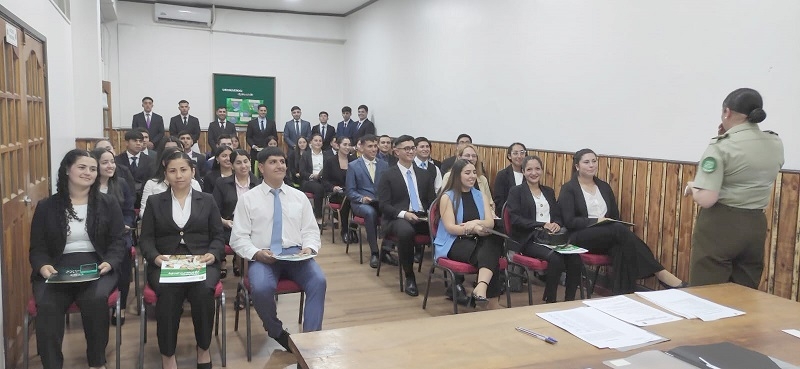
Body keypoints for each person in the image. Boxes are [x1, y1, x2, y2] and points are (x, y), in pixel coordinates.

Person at [29, 149, 126, 369]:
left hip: (96, 264)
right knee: (47, 305)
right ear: (66, 169)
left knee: (94, 300)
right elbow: (37, 248)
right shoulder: (47, 206)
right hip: (57, 266)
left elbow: (118, 242)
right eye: (82, 167)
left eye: (93, 168)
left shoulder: (108, 203)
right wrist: (43, 266)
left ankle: (96, 362)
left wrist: (110, 262)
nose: (88, 173)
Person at [229, 147, 327, 353]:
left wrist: (309, 247)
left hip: (295, 255)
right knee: (262, 288)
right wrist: (256, 254)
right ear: (261, 168)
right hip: (263, 255)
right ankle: (276, 331)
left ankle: (309, 342)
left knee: (318, 280)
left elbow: (310, 230)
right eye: (273, 162)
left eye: (282, 161)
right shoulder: (248, 199)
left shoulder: (298, 197)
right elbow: (238, 238)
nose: (279, 165)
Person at [686, 88, 784, 289]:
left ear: (727, 112)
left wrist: (694, 187)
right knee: (744, 293)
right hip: (755, 223)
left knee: (708, 294)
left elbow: (707, 199)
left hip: (721, 225)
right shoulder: (775, 142)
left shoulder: (720, 146)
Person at [139, 150, 224, 369]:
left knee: (203, 291)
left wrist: (213, 254)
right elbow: (146, 239)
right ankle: (168, 355)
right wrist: (156, 257)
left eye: (183, 170)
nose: (178, 175)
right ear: (165, 174)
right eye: (172, 171)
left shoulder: (207, 200)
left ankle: (203, 349)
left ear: (193, 172)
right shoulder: (155, 201)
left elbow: (217, 236)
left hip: (201, 260)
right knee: (168, 292)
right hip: (165, 262)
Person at [559, 149, 686, 294]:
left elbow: (615, 216)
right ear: (577, 166)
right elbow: (569, 222)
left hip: (607, 235)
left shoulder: (604, 187)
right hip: (580, 236)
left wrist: (606, 222)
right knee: (618, 230)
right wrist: (596, 221)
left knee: (621, 248)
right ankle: (661, 273)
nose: (591, 165)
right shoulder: (569, 189)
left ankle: (622, 295)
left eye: (594, 161)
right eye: (586, 162)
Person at [507, 155, 582, 303]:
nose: (533, 173)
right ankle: (550, 300)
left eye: (537, 169)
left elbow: (558, 215)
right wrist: (540, 225)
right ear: (523, 171)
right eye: (529, 169)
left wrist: (556, 223)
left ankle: (570, 299)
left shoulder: (548, 191)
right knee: (556, 258)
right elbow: (515, 219)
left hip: (552, 237)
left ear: (541, 170)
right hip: (528, 238)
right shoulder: (516, 191)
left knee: (575, 258)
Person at [433, 159, 504, 309]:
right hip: (453, 242)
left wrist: (475, 223)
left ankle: (481, 289)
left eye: (474, 172)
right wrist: (473, 228)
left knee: (494, 239)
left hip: (476, 239)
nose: (472, 176)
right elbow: (451, 228)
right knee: (492, 254)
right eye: (467, 173)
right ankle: (491, 301)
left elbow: (490, 223)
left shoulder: (480, 195)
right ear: (457, 176)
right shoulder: (447, 197)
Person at [378, 135, 436, 296]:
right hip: (397, 217)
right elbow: (383, 205)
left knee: (445, 226)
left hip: (421, 216)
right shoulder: (388, 175)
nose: (411, 151)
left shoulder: (424, 175)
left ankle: (454, 278)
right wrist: (404, 214)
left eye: (413, 148)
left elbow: (432, 202)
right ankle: (409, 275)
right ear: (396, 152)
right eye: (407, 148)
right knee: (406, 231)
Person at [91, 148, 136, 324]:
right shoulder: (89, 186)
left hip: (119, 235)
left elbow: (129, 211)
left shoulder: (121, 183)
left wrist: (125, 223)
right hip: (96, 237)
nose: (110, 166)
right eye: (105, 162)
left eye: (112, 162)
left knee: (123, 252)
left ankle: (121, 307)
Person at [346, 134, 396, 268]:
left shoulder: (384, 165)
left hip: (379, 201)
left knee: (392, 212)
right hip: (360, 203)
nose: (374, 149)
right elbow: (350, 191)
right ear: (361, 147)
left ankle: (386, 250)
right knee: (370, 213)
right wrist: (362, 198)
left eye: (375, 146)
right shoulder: (353, 166)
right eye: (370, 146)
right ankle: (374, 251)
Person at [212, 149, 258, 279]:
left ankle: (250, 278)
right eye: (238, 163)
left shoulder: (259, 183)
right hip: (228, 225)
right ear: (232, 165)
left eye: (245, 162)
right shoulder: (222, 183)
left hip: (253, 225)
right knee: (239, 238)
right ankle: (245, 277)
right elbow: (214, 210)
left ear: (250, 163)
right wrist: (225, 222)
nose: (243, 166)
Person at [140, 147, 203, 215]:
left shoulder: (194, 183)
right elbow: (143, 211)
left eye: (183, 170)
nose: (178, 175)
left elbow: (201, 209)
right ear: (164, 162)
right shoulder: (151, 184)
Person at [441, 144, 494, 212]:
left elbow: (490, 204)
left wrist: (491, 214)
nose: (471, 158)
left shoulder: (482, 179)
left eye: (474, 156)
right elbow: (445, 203)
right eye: (467, 155)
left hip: (481, 218)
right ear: (459, 157)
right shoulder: (449, 176)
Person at [322, 136, 356, 242]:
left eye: (349, 145)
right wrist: (333, 187)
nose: (347, 147)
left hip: (351, 192)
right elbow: (325, 180)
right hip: (336, 193)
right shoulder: (330, 161)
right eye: (344, 144)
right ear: (338, 145)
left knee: (356, 199)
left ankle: (353, 229)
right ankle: (345, 230)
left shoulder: (354, 161)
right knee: (347, 199)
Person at [115, 129, 155, 205]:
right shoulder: (117, 160)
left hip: (144, 198)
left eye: (140, 141)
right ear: (126, 142)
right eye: (135, 141)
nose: (138, 144)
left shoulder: (150, 160)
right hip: (123, 198)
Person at [493, 142, 527, 217]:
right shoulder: (502, 175)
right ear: (509, 156)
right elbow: (499, 202)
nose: (519, 156)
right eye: (515, 153)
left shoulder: (529, 175)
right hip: (508, 217)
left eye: (522, 153)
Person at [302, 134, 327, 227]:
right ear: (311, 142)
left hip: (323, 179)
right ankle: (318, 217)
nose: (318, 142)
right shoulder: (306, 155)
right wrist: (313, 176)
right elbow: (302, 172)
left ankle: (336, 217)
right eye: (315, 140)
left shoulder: (326, 154)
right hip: (309, 181)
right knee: (318, 188)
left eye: (320, 141)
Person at [245, 104, 277, 173]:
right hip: (255, 151)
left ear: (266, 111)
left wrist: (271, 145)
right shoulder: (251, 123)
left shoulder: (271, 123)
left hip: (268, 151)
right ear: (258, 111)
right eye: (261, 110)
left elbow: (275, 137)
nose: (263, 112)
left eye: (264, 110)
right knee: (255, 171)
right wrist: (253, 146)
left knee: (268, 169)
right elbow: (248, 137)